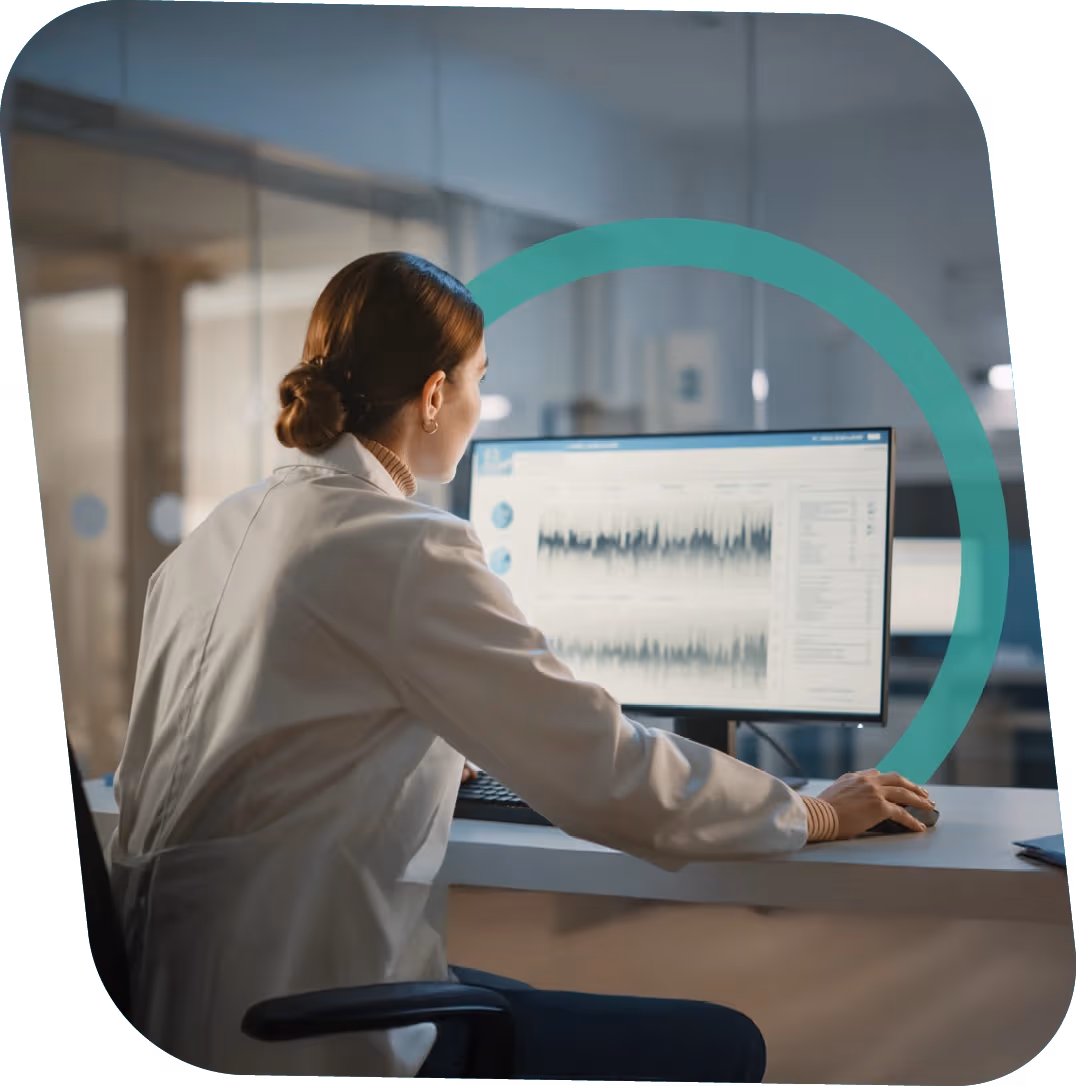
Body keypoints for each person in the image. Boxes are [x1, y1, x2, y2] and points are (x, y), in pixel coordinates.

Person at [107, 251, 934, 1082]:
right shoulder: (402, 545)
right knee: (724, 1045)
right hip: (306, 1028)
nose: (478, 405)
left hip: (175, 1008)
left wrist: (430, 749)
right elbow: (606, 773)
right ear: (435, 396)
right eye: (478, 381)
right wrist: (812, 813)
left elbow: (238, 749)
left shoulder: (216, 536)